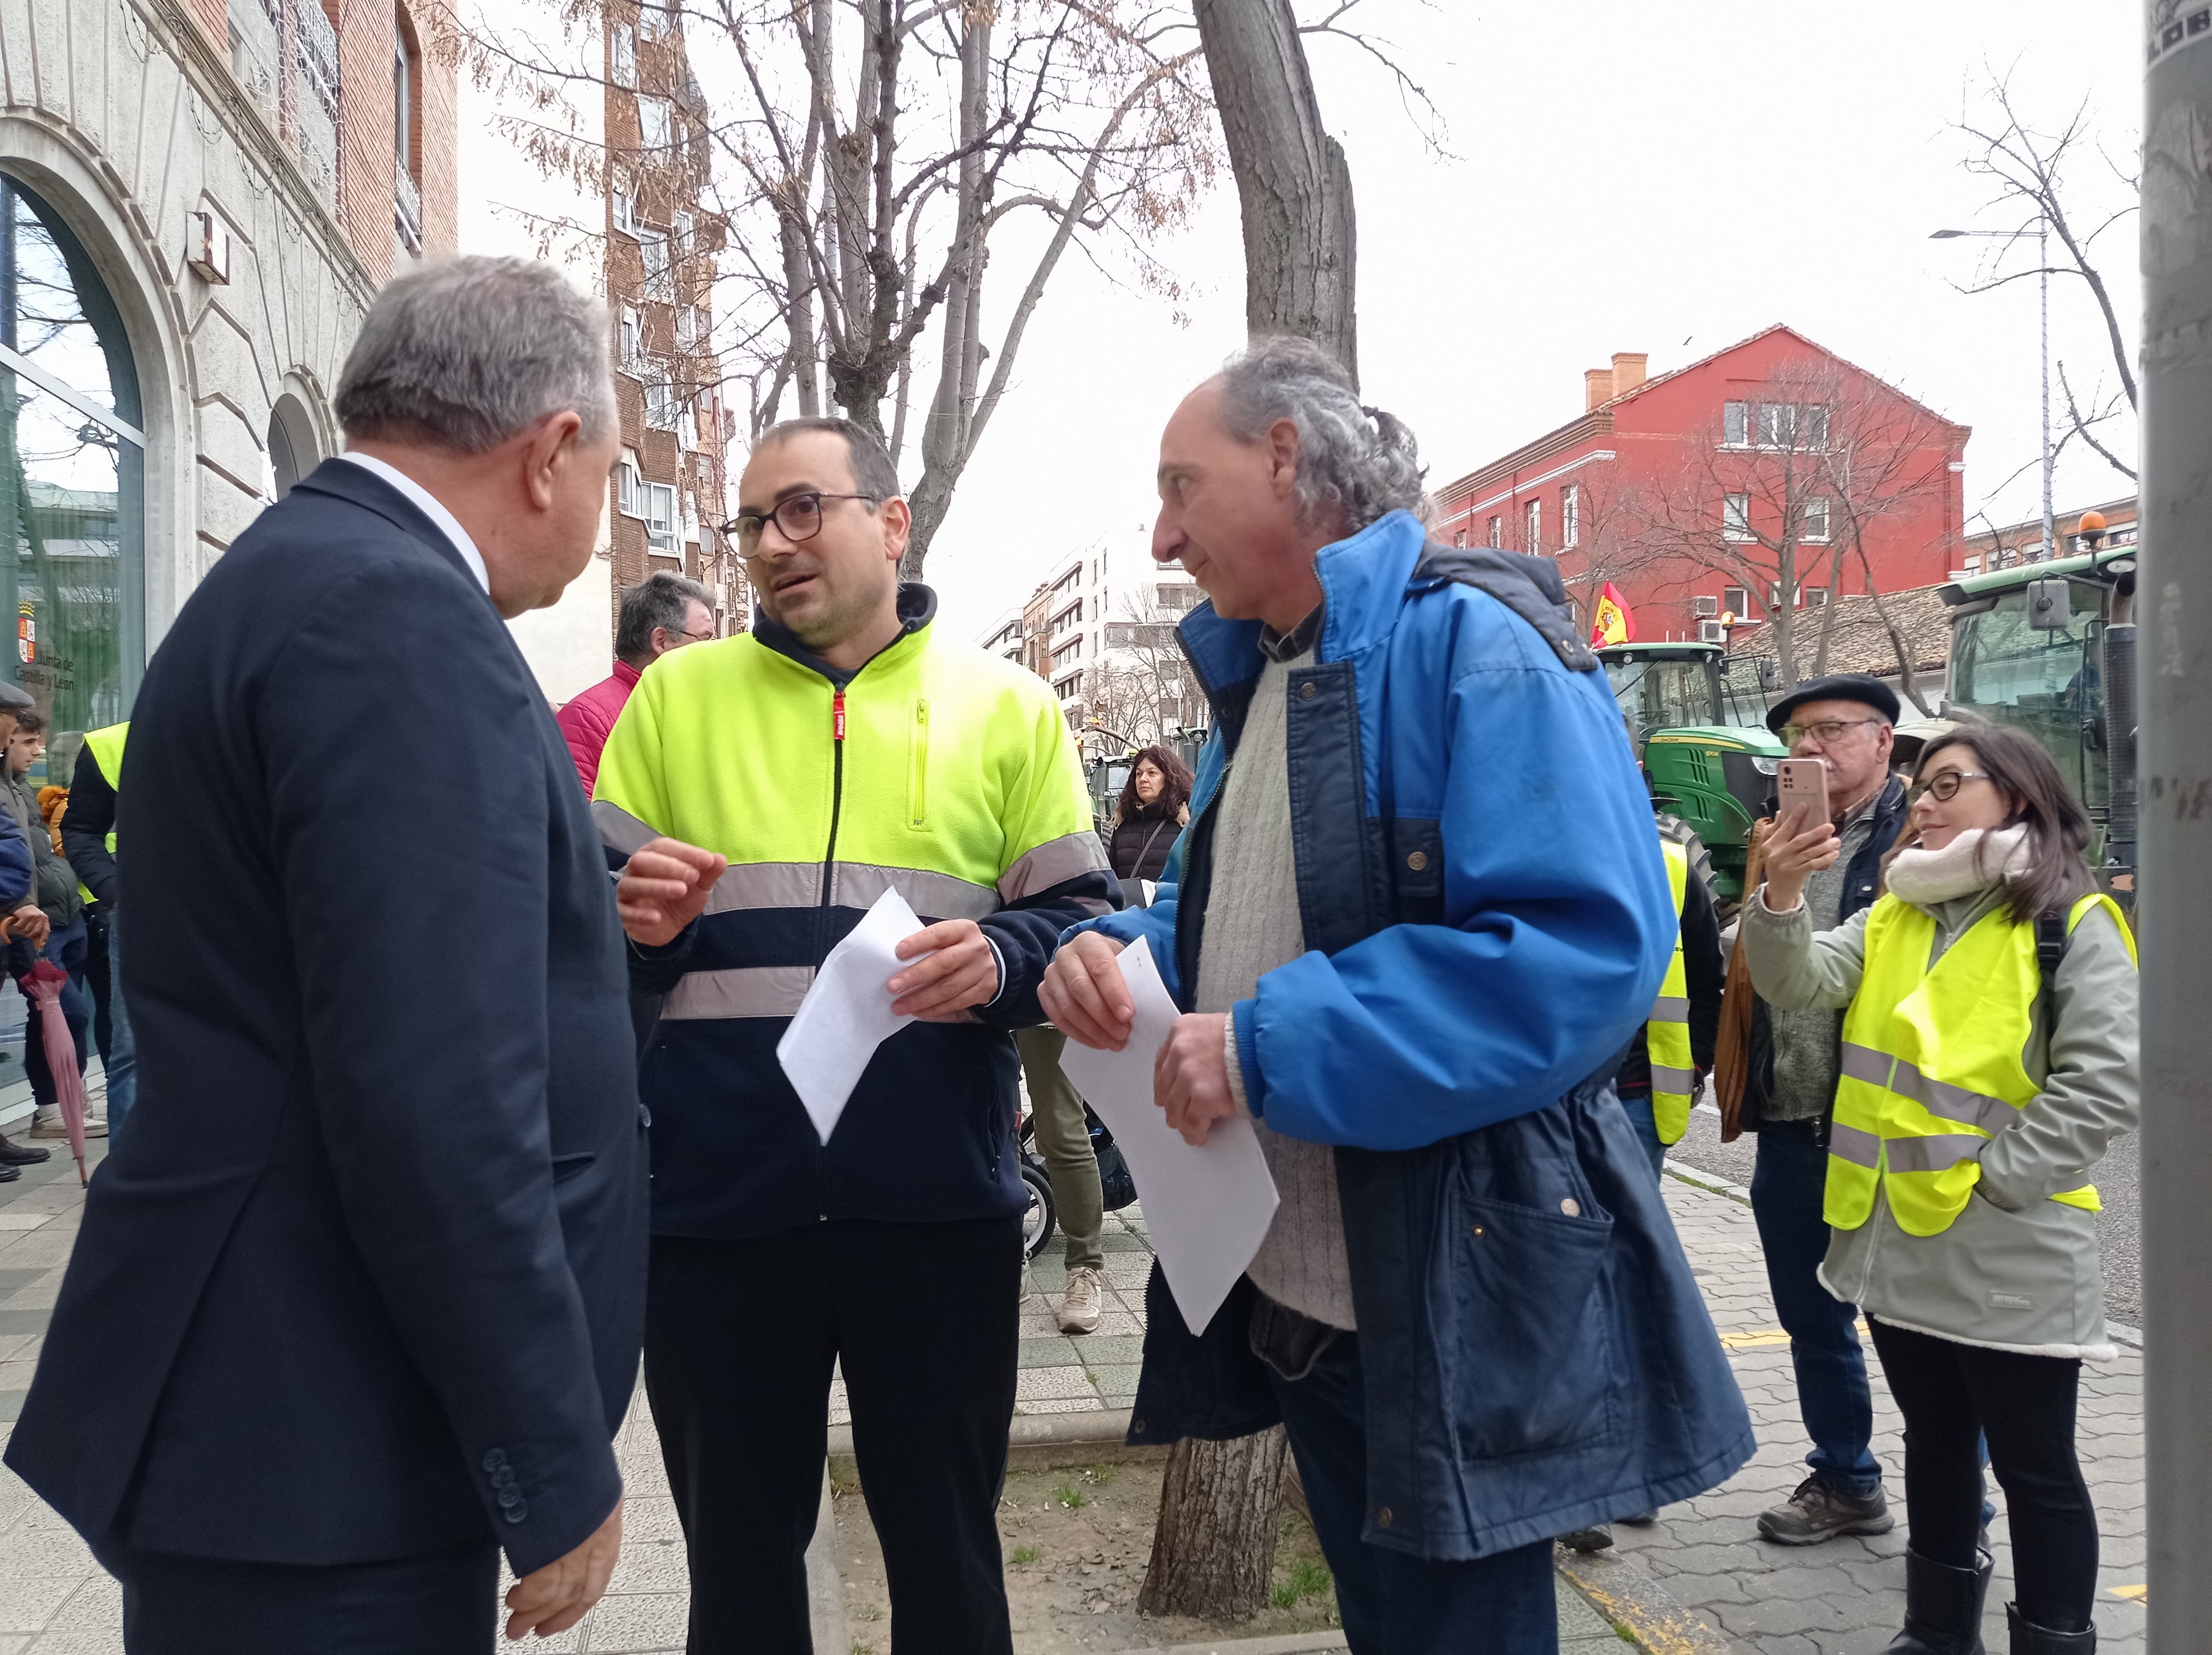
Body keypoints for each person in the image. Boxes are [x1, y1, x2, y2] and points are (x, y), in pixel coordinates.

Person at [1040, 338, 1753, 1654]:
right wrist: (1119, 959)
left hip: (1440, 1306)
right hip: (1312, 1299)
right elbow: (1253, 923)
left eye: (1178, 486)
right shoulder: (1260, 680)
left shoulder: (1475, 647)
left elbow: (1580, 950)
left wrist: (1265, 1044)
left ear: (1283, 456)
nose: (1159, 536)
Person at [6, 257, 646, 1654]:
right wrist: (550, 1467)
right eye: (610, 468)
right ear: (548, 452)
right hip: (319, 1434)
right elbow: (434, 1102)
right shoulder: (398, 617)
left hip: (278, 1418)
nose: (601, 522)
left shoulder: (297, 577)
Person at [598, 415, 1117, 1655]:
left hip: (934, 1211)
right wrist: (641, 930)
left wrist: (1001, 958)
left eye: (801, 509)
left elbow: (1086, 924)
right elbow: (581, 943)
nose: (773, 544)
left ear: (890, 522)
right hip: (720, 1218)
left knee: (945, 1554)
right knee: (737, 1572)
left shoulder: (1010, 708)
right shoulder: (674, 700)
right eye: (752, 521)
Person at [1745, 725, 2135, 1655]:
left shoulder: (2067, 919)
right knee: (1935, 1439)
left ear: (2019, 796)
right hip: (1899, 1245)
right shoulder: (1895, 913)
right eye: (1920, 787)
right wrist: (1785, 892)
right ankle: (1935, 1632)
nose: (1922, 801)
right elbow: (1794, 979)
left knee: (2038, 1468)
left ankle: (2052, 1637)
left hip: (2010, 1247)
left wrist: (1990, 1182)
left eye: (1949, 783)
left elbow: (2104, 1083)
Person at [1732, 674, 1913, 1547]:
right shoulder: (1777, 837)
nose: (1808, 748)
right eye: (1797, 737)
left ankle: (1964, 1499)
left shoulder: (1923, 837)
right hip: (1791, 1118)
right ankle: (1846, 1477)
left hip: (1886, 1127)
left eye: (1830, 730)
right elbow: (1755, 964)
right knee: (1813, 1318)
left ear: (1884, 739)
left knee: (1917, 1326)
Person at [1559, 825, 1727, 1554]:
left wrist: (1696, 1075)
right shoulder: (1519, 840)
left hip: (1630, 1102)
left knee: (1626, 1282)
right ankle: (1569, 1482)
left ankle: (1624, 1471)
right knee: (1559, 1289)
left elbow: (1708, 974)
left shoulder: (1669, 861)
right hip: (1541, 1104)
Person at [1019, 743, 1197, 1334]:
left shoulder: (1174, 826)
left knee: (1060, 1126)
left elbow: (1166, 904)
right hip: (971, 981)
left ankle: (1084, 1264)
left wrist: (1111, 935)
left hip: (1068, 964)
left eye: (1152, 771)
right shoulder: (1120, 825)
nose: (1142, 779)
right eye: (1137, 772)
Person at [3, 710, 93, 1147]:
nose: (38, 751)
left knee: (65, 1015)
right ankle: (53, 1105)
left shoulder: (20, 789)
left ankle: (66, 1102)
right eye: (30, 742)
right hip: (34, 925)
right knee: (63, 1012)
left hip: (65, 915)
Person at [557, 571, 716, 794]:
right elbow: (579, 819)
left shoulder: (690, 707)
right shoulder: (587, 718)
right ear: (661, 641)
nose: (714, 650)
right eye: (706, 639)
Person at [59, 722, 132, 1137]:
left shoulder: (252, 728)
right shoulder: (111, 744)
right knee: (133, 1052)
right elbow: (81, 830)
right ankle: (134, 1184)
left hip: (239, 914)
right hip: (143, 916)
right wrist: (117, 892)